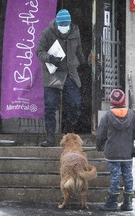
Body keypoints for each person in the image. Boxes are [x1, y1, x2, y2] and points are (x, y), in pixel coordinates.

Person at [36, 9, 86, 147]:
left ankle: (68, 132)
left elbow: (78, 50)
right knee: (50, 106)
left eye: (66, 25)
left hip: (70, 72)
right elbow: (39, 51)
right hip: (53, 73)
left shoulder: (75, 33)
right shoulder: (47, 33)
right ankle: (50, 138)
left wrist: (83, 62)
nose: (64, 28)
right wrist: (50, 58)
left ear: (70, 24)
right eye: (62, 25)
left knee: (75, 104)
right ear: (57, 24)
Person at [95, 89, 135, 211]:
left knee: (115, 176)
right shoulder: (132, 116)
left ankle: (112, 202)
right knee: (128, 175)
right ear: (124, 100)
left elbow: (100, 134)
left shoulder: (107, 116)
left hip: (112, 153)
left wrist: (99, 146)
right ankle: (128, 202)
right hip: (127, 153)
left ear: (111, 100)